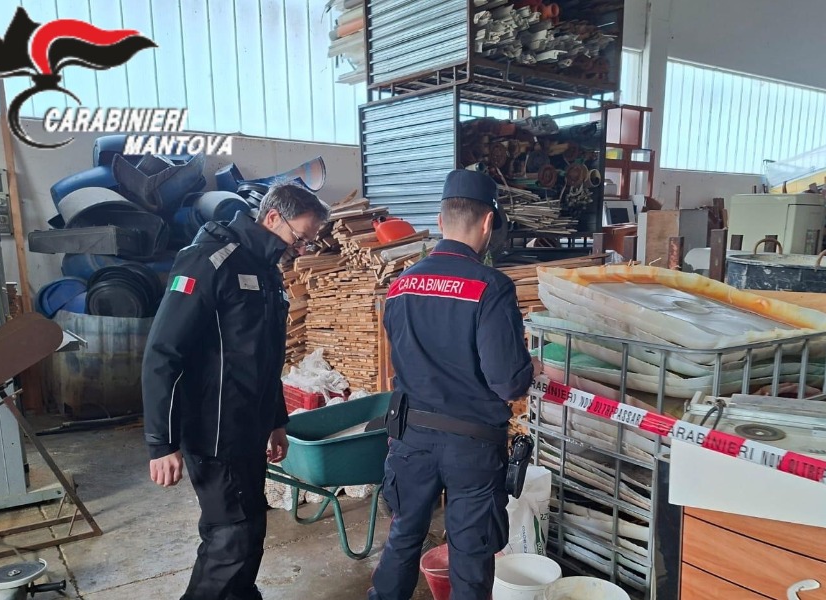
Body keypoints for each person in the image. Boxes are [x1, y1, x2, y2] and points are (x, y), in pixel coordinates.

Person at [142, 183, 329, 600]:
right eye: (299, 238)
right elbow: (163, 352)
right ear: (273, 218)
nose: (301, 249)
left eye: (308, 242)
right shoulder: (209, 261)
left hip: (248, 429)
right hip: (213, 432)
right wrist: (161, 442)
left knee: (249, 528)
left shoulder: (266, 270)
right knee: (231, 537)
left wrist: (276, 422)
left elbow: (265, 359)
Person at [369, 170, 542, 600]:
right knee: (470, 555)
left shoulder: (400, 286)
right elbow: (508, 383)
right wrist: (532, 367)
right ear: (488, 223)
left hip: (410, 438)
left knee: (403, 538)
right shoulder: (491, 287)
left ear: (440, 220)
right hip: (472, 447)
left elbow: (402, 358)